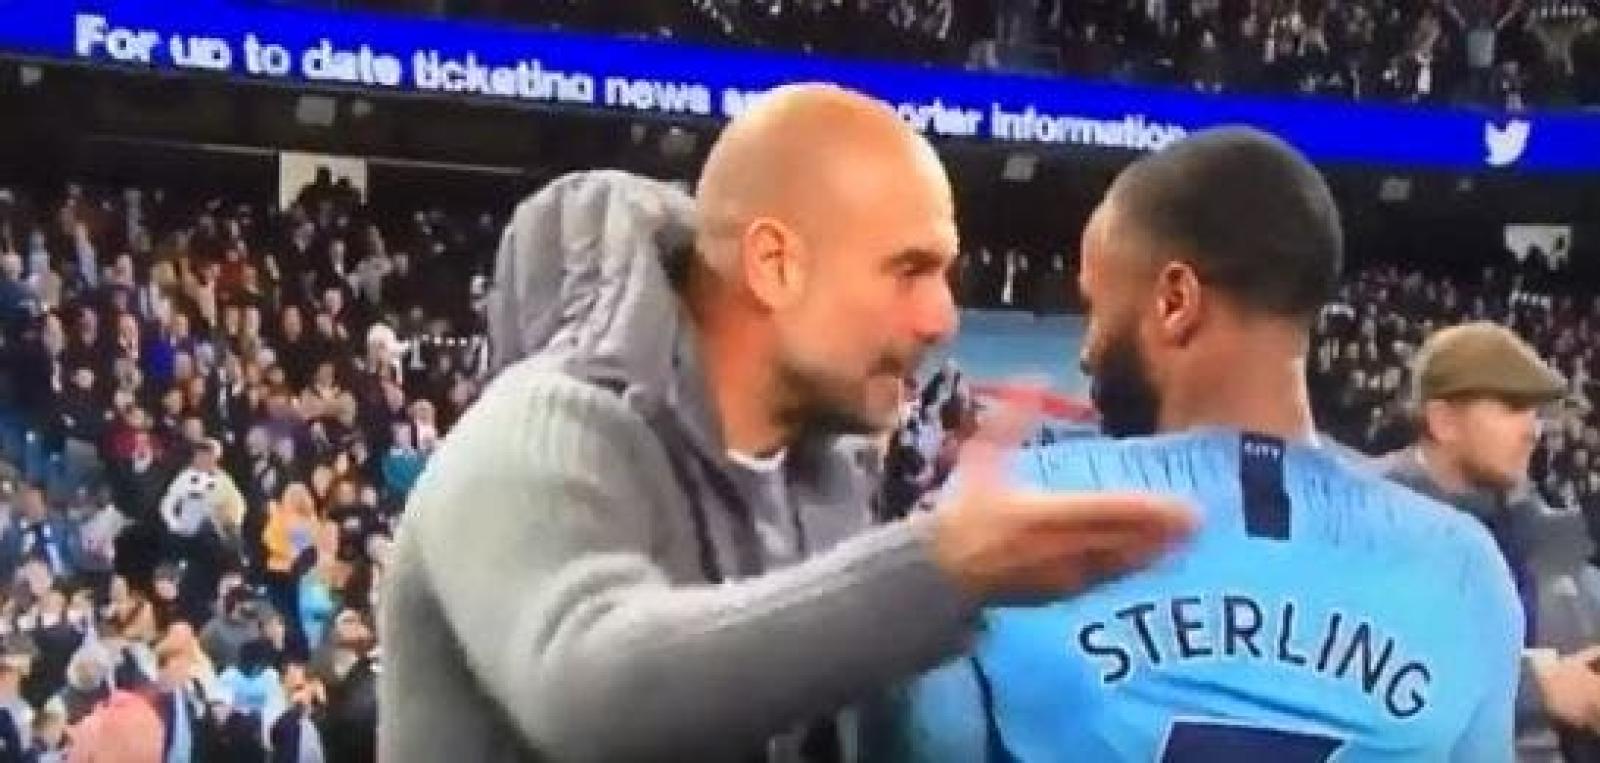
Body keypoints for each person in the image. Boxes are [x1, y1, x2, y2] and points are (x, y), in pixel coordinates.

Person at [380, 83, 1195, 762]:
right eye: (909, 269)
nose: (942, 317)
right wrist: (941, 566)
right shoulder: (539, 430)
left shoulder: (822, 479)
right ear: (775, 264)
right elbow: (589, 686)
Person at [894, 127, 1523, 760]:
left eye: (1096, 308)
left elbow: (925, 743)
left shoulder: (1019, 507)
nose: (1085, 352)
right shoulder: (1464, 570)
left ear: (1176, 301)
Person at [1377, 321, 1600, 763]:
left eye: (1535, 412)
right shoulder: (1366, 526)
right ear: (1443, 422)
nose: (1533, 430)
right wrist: (1536, 689)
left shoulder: (1542, 538)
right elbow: (1357, 671)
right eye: (1512, 407)